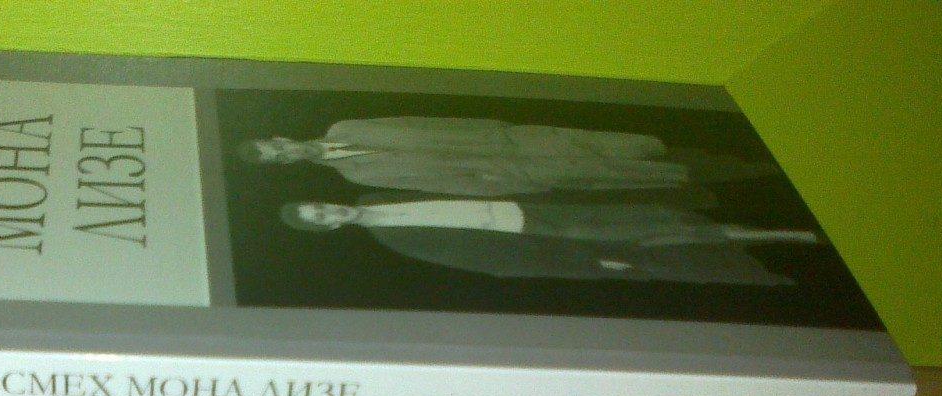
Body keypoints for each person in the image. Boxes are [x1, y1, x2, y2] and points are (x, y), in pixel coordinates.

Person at [279, 197, 816, 286]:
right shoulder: (396, 241)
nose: (329, 211)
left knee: (655, 218)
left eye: (319, 204)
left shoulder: (378, 193)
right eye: (321, 218)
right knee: (660, 242)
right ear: (328, 227)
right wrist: (584, 263)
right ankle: (781, 242)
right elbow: (496, 265)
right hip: (542, 236)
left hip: (534, 205)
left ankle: (784, 232)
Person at [243, 117, 777, 198]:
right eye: (279, 159)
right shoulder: (354, 173)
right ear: (286, 166)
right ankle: (748, 175)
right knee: (609, 174)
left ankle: (745, 157)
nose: (287, 152)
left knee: (614, 145)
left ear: (282, 137)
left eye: (277, 144)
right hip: (509, 170)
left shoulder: (346, 128)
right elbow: (442, 185)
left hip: (509, 139)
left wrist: (493, 132)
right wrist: (497, 183)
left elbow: (425, 122)